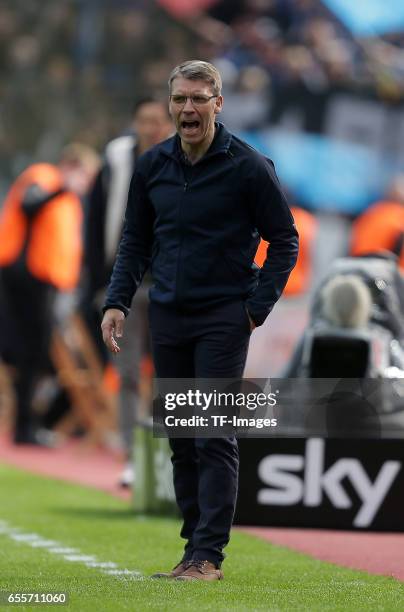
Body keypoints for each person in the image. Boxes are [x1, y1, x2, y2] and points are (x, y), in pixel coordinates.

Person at [101, 60, 298, 581]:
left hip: (221, 317)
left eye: (199, 98)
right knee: (181, 439)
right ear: (170, 105)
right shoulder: (152, 165)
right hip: (166, 313)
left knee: (211, 432)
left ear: (218, 104)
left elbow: (286, 240)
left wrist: (255, 308)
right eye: (180, 99)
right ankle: (193, 550)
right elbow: (135, 242)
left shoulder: (250, 167)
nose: (188, 108)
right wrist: (116, 302)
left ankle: (209, 556)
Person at [82, 97, 173, 486]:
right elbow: (95, 219)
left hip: (170, 284)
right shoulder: (115, 162)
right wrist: (98, 281)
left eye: (157, 120)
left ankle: (168, 454)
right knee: (128, 373)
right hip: (123, 282)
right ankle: (131, 455)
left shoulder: (182, 159)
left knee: (170, 373)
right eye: (144, 120)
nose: (151, 127)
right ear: (134, 122)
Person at [0, 144, 99, 444]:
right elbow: (31, 205)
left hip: (47, 284)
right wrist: (62, 188)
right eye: (84, 177)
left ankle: (29, 425)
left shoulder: (69, 201)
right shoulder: (44, 176)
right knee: (26, 352)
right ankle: (25, 427)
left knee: (36, 354)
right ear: (72, 167)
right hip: (24, 278)